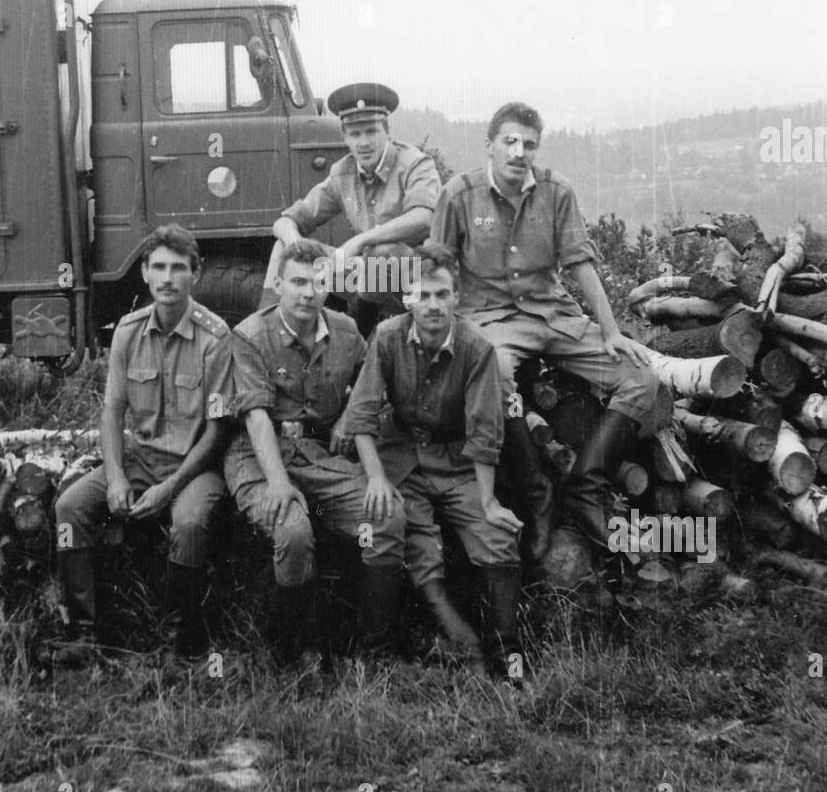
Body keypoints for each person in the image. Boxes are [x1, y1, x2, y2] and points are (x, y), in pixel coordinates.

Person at [429, 102, 660, 566]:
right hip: (490, 321)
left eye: (529, 145)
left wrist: (611, 331)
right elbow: (437, 266)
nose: (519, 153)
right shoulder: (458, 194)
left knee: (642, 377)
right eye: (509, 142)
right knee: (493, 371)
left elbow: (580, 261)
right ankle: (537, 500)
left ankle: (585, 487)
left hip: (552, 315)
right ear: (489, 146)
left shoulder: (556, 191)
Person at [52, 225, 232, 666]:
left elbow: (217, 433)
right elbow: (112, 412)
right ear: (146, 275)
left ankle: (179, 642)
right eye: (159, 268)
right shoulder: (129, 332)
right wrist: (115, 477)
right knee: (68, 509)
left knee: (188, 523)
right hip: (140, 459)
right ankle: (85, 633)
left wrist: (168, 490)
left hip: (196, 466)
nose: (168, 278)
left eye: (178, 268)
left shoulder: (215, 337)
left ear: (196, 273)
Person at [342, 245, 525, 677]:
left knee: (496, 538)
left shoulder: (477, 348)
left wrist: (487, 501)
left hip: (457, 461)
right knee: (411, 539)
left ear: (457, 298)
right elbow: (362, 414)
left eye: (442, 294)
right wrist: (375, 479)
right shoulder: (387, 337)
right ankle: (444, 648)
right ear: (407, 299)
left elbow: (484, 429)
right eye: (423, 295)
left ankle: (510, 655)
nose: (433, 305)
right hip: (403, 458)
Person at [226, 238, 407, 665]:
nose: (308, 292)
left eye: (319, 281)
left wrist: (350, 417)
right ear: (279, 282)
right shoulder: (250, 336)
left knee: (384, 520)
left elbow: (370, 382)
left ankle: (375, 648)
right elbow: (254, 416)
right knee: (292, 531)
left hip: (321, 453)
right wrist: (277, 483)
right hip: (259, 453)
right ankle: (294, 649)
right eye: (298, 281)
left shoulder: (345, 331)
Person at [266, 83, 441, 328]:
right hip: (364, 272)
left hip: (417, 275)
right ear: (345, 137)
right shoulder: (343, 172)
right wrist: (295, 244)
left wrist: (360, 241)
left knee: (382, 253)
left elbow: (424, 218)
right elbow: (285, 220)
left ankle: (359, 337)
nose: (364, 142)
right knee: (282, 250)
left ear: (387, 131)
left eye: (371, 131)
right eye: (355, 134)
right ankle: (273, 333)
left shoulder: (414, 164)